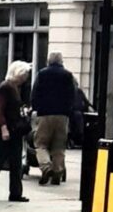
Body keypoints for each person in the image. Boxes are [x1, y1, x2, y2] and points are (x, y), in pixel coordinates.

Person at [28, 51, 85, 187]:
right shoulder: (68, 75)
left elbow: (34, 94)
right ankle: (57, 174)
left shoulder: (42, 74)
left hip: (44, 114)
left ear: (48, 61)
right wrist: (69, 111)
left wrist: (35, 108)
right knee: (59, 147)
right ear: (61, 61)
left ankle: (46, 167)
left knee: (41, 144)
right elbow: (72, 95)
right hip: (62, 116)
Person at [0, 60, 32, 202]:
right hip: (5, 130)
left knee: (16, 162)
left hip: (15, 130)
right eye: (24, 74)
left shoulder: (15, 87)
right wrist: (4, 128)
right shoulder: (6, 87)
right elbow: (0, 110)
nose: (26, 78)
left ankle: (15, 193)